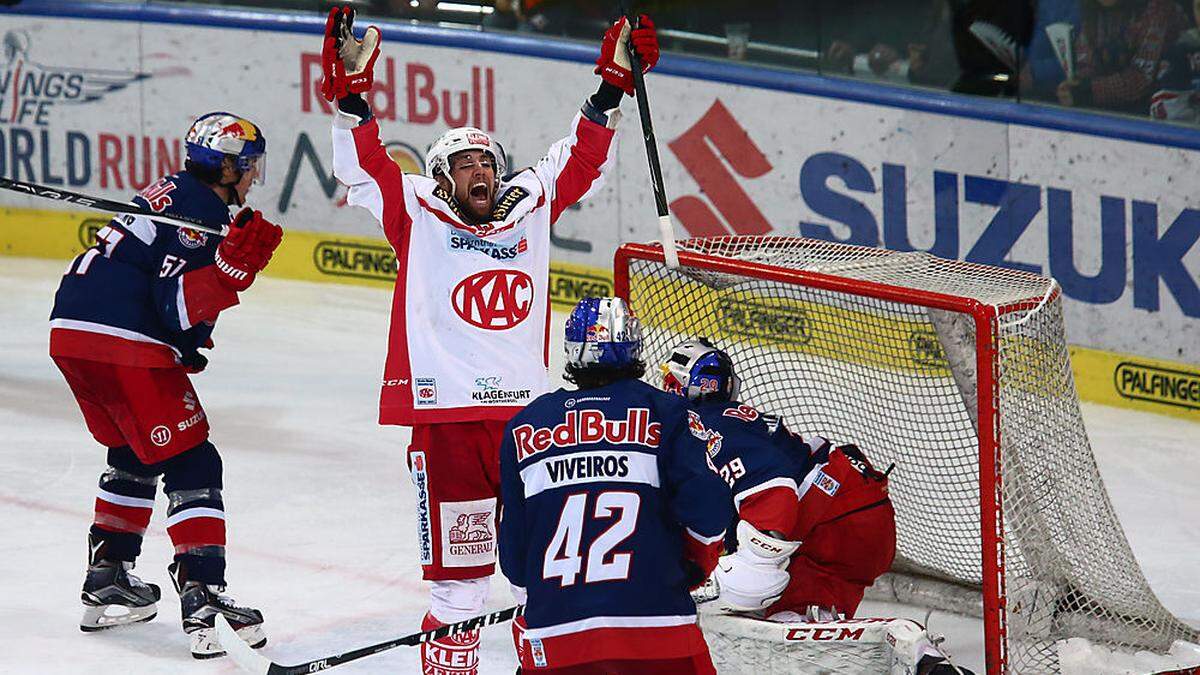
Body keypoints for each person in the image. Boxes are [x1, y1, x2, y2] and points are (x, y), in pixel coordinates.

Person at [320, 6, 660, 674]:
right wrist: (352, 99)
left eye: (487, 160)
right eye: (465, 162)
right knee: (461, 590)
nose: (481, 169)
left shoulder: (530, 206)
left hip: (529, 427)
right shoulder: (416, 208)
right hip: (447, 423)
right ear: (443, 177)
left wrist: (613, 83)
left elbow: (582, 155)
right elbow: (363, 169)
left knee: (545, 579)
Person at [49, 112, 283, 658]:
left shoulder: (173, 193)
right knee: (193, 462)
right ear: (224, 166)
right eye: (247, 167)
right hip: (122, 338)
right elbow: (174, 309)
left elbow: (169, 308)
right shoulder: (200, 212)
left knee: (132, 448)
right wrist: (231, 273)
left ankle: (109, 573)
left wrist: (191, 340)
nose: (251, 177)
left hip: (70, 332)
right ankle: (202, 588)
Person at [661, 339, 974, 675]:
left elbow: (772, 486)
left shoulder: (704, 424)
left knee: (785, 634)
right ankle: (922, 661)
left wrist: (757, 562)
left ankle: (910, 644)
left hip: (831, 518)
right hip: (853, 516)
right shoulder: (729, 421)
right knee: (815, 636)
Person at [498, 298, 731, 674]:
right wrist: (694, 569)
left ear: (572, 349)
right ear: (634, 347)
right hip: (658, 630)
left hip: (558, 637)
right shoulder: (666, 412)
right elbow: (708, 515)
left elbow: (514, 555)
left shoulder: (524, 425)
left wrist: (542, 603)